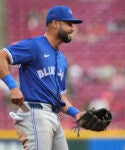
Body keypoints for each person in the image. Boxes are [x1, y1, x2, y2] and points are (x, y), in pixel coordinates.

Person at [0, 5, 84, 150]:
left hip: (53, 116)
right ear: (55, 23)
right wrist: (12, 86)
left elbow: (60, 98)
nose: (72, 28)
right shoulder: (34, 45)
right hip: (35, 113)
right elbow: (2, 56)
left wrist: (76, 113)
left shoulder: (62, 59)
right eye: (69, 23)